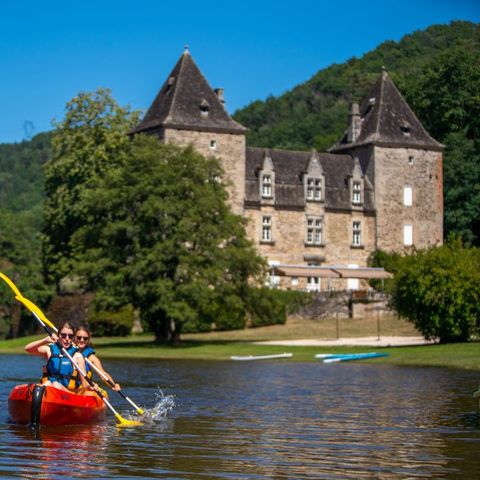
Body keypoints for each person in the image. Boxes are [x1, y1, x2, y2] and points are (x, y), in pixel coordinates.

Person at [25, 321, 94, 392]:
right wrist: (45, 340)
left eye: (70, 336)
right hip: (49, 388)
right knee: (48, 383)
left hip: (67, 393)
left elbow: (85, 384)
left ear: (73, 338)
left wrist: (92, 387)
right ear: (58, 335)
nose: (67, 339)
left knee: (55, 384)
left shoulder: (78, 356)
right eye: (63, 335)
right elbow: (28, 348)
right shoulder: (49, 350)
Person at [74, 324, 121, 391]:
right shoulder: (67, 350)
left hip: (83, 388)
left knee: (103, 393)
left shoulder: (92, 358)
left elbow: (103, 374)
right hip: (67, 387)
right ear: (74, 337)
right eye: (79, 337)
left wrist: (113, 385)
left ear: (88, 340)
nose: (82, 340)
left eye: (85, 338)